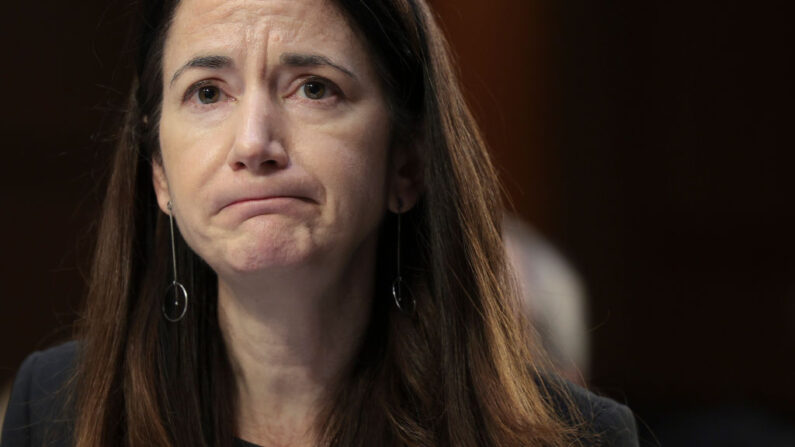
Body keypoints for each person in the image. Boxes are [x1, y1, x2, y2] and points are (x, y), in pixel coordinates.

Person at [1, 0, 638, 446]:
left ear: (407, 164)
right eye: (207, 92)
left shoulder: (578, 439)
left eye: (313, 88)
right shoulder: (58, 409)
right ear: (160, 173)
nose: (254, 142)